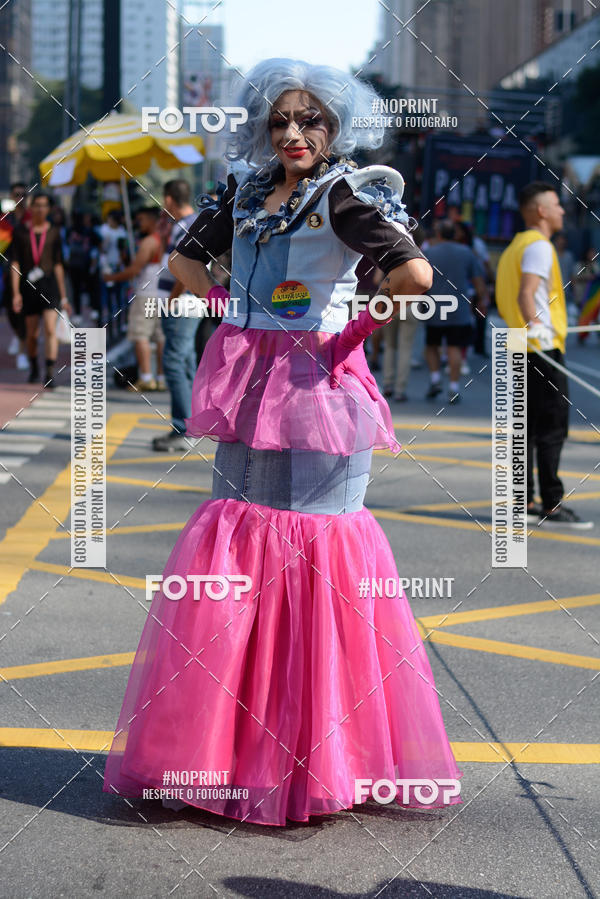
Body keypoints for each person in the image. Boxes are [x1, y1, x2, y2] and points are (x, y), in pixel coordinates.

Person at [102, 58, 463, 826]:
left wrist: (349, 332)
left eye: (312, 121)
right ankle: (223, 755)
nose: (295, 133)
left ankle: (320, 758)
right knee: (237, 554)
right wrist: (238, 308)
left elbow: (415, 275)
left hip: (321, 395)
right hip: (250, 385)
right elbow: (183, 262)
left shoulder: (346, 193)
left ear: (336, 128)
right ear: (263, 128)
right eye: (281, 122)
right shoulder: (240, 190)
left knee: (316, 555)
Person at [496, 181, 593, 529]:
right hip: (540, 347)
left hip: (522, 345)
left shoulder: (515, 247)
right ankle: (551, 503)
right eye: (557, 204)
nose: (563, 210)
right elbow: (527, 293)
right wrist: (535, 323)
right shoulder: (539, 246)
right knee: (552, 426)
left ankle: (522, 502)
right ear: (541, 211)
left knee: (527, 428)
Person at [152, 180, 200, 452]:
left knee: (172, 360)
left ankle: (183, 428)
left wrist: (171, 300)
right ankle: (191, 422)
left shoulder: (186, 225)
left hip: (182, 302)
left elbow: (186, 267)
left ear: (169, 200)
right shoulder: (186, 224)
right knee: (184, 361)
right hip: (185, 301)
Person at [9, 191, 71, 389]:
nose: (40, 209)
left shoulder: (54, 232)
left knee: (51, 330)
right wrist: (16, 292)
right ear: (31, 207)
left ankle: (50, 372)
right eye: (37, 205)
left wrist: (64, 296)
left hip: (50, 285)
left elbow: (59, 264)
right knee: (32, 334)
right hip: (28, 287)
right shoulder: (20, 232)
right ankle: (35, 366)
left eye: (44, 205)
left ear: (49, 209)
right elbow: (15, 262)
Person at [423, 220, 488, 403]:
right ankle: (453, 386)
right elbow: (478, 280)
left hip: (433, 307)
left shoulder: (429, 253)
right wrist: (481, 300)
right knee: (454, 347)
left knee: (432, 345)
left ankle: (435, 379)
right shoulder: (466, 252)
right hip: (459, 308)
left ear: (439, 234)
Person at [104, 206, 166, 392]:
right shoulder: (164, 239)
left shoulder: (149, 241)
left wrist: (111, 278)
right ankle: (161, 377)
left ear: (151, 220)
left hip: (146, 294)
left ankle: (146, 377)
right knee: (160, 337)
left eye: (141, 219)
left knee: (141, 336)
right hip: (162, 294)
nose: (138, 223)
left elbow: (135, 269)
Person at [1, 182, 30, 371]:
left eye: (23, 194)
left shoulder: (31, 219)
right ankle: (18, 334)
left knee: (25, 312)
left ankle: (22, 349)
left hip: (28, 273)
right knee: (10, 311)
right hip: (7, 272)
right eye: (16, 194)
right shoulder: (5, 220)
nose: (19, 197)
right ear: (11, 196)